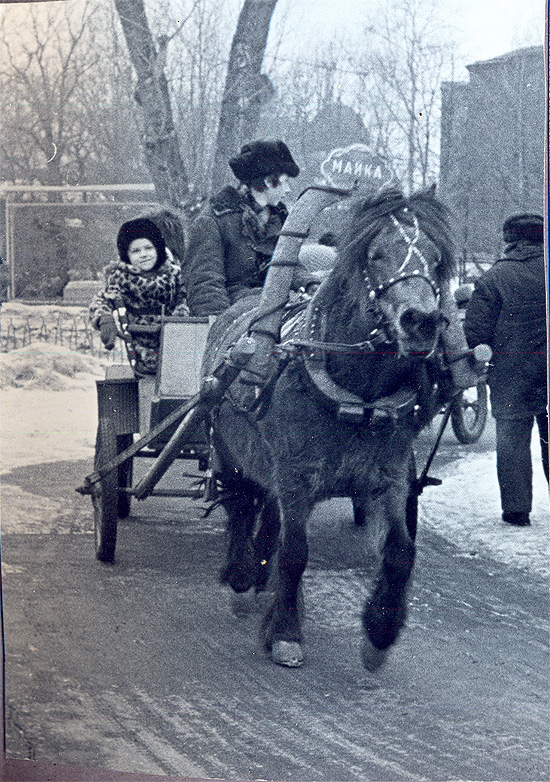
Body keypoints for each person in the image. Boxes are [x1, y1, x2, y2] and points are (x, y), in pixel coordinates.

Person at [464, 213, 548, 526]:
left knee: (512, 437)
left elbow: (476, 329)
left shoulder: (494, 276)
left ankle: (517, 510)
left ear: (509, 239)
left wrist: (485, 353)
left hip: (513, 371)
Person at [184, 139, 313, 317]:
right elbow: (205, 284)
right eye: (284, 182)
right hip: (236, 315)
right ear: (268, 181)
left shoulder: (278, 218)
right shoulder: (212, 221)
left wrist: (310, 284)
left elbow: (288, 265)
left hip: (275, 308)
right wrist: (223, 326)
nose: (288, 189)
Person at [89, 217, 188, 375]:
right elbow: (102, 300)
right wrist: (104, 318)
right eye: (136, 251)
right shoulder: (123, 277)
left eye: (149, 248)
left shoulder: (173, 274)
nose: (144, 255)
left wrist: (181, 314)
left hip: (174, 340)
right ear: (126, 255)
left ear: (158, 248)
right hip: (141, 345)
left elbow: (184, 297)